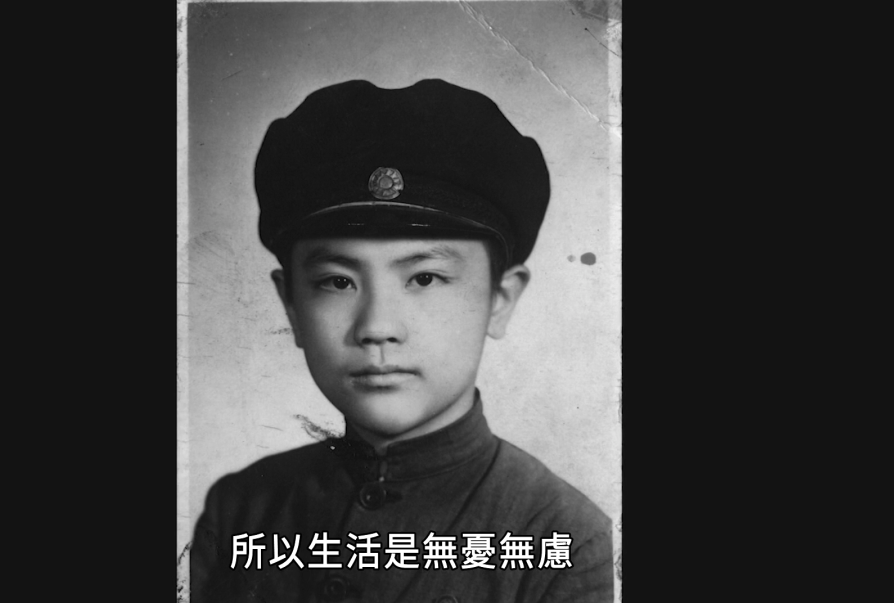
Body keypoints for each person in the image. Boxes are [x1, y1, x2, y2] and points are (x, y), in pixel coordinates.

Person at [191, 79, 613, 602]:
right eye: (337, 282)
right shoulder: (240, 511)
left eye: (425, 278)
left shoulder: (564, 540)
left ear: (500, 300)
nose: (377, 327)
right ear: (291, 306)